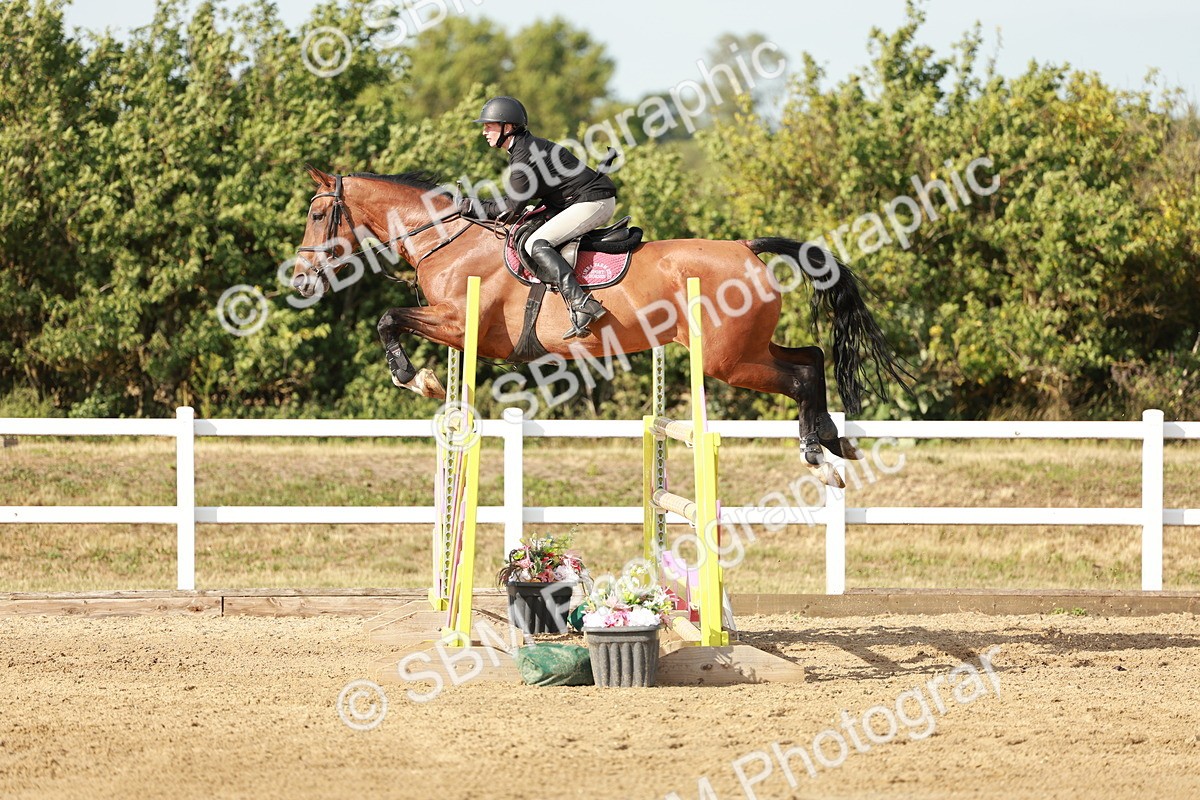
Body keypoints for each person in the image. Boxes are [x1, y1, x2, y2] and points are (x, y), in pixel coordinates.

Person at [459, 96, 615, 340]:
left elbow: (511, 209)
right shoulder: (522, 148)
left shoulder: (523, 155)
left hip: (593, 202)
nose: (484, 132)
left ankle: (582, 303)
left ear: (507, 127)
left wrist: (472, 207)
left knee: (536, 243)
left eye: (489, 126)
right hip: (576, 201)